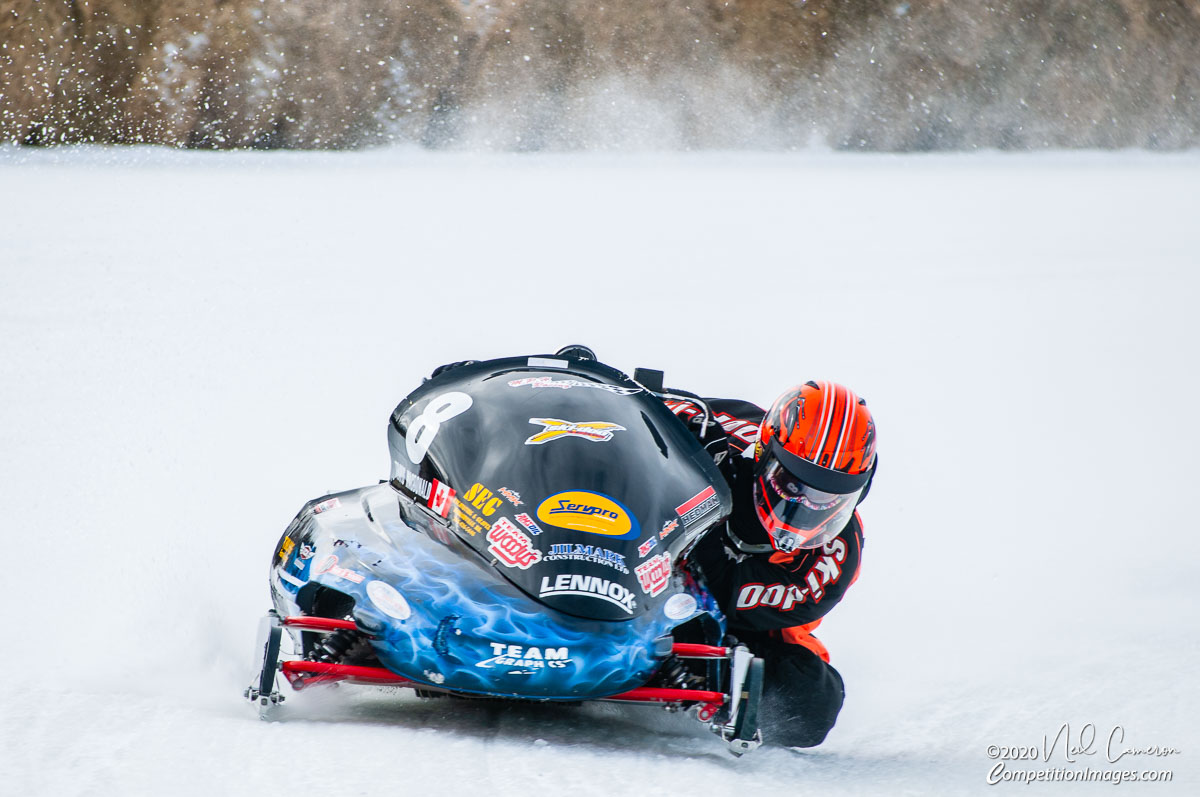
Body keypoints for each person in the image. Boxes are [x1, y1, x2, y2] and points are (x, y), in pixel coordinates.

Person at [667, 380, 877, 748]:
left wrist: (708, 489)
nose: (810, 505)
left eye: (830, 494)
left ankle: (694, 675)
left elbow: (732, 593)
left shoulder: (839, 553)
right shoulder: (725, 425)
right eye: (794, 485)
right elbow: (629, 403)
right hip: (643, 550)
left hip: (741, 629)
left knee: (812, 704)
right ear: (766, 451)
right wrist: (691, 451)